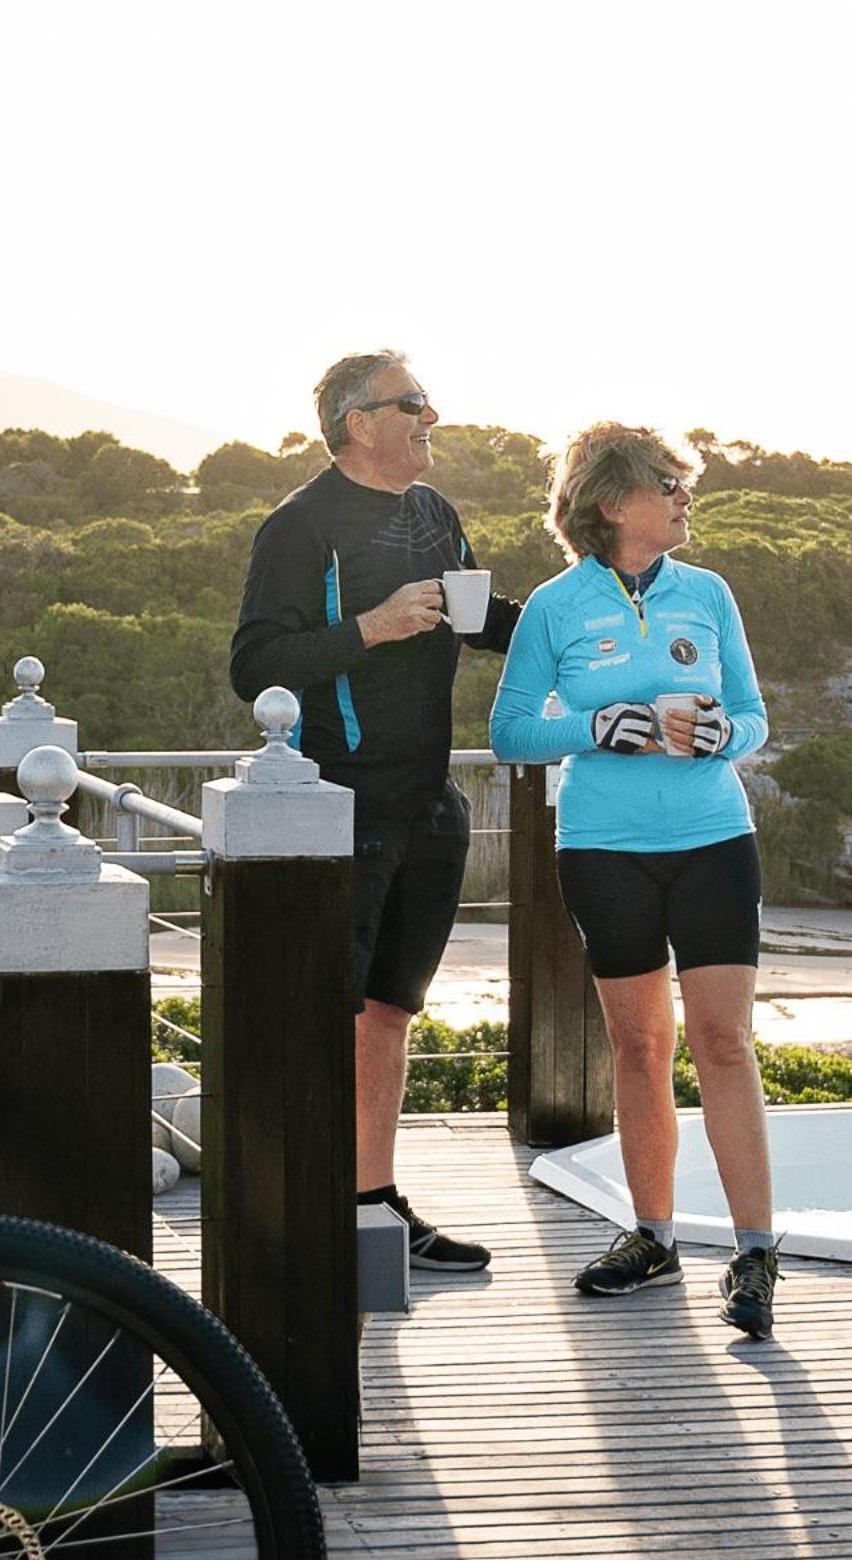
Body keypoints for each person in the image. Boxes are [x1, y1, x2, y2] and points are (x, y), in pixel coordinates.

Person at [231, 350, 521, 1271]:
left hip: (431, 802)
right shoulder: (299, 526)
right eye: (415, 402)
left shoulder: (436, 511)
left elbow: (482, 619)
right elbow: (254, 666)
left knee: (391, 1012)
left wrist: (595, 609)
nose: (434, 413)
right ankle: (302, 1219)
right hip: (341, 805)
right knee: (329, 1013)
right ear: (362, 422)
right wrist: (372, 627)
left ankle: (372, 1208)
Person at [489, 424, 777, 1335]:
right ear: (614, 502)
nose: (687, 497)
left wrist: (722, 735)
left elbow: (754, 715)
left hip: (712, 836)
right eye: (669, 483)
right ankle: (652, 1239)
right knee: (642, 1050)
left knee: (724, 1044)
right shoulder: (553, 607)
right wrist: (597, 724)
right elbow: (509, 732)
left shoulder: (709, 592)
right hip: (604, 846)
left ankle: (755, 1252)